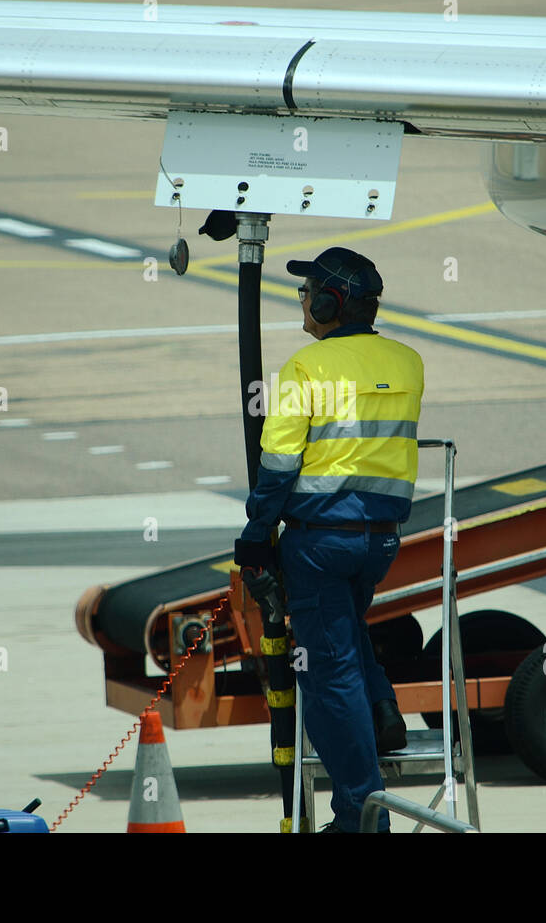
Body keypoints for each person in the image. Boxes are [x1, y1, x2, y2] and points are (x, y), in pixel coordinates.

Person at [233, 247, 424, 834]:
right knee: (343, 641)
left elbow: (280, 461)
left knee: (327, 677)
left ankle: (361, 818)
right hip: (381, 542)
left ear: (328, 302)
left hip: (318, 542)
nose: (302, 303)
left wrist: (256, 533)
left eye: (306, 292)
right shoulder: (409, 361)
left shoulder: (304, 369)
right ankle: (385, 707)